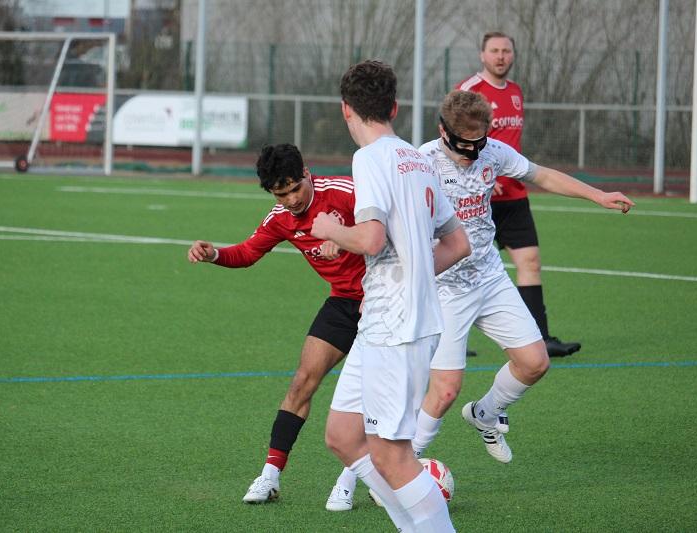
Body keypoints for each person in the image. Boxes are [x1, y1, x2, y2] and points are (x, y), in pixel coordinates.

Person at [408, 90, 634, 464]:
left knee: (535, 362)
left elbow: (542, 175)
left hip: (489, 277)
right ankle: (404, 464)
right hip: (445, 287)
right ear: (443, 131)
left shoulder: (493, 152)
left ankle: (485, 413)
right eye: (464, 144)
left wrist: (598, 195)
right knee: (445, 390)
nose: (473, 152)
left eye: (479, 142)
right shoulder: (421, 163)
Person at [311, 60, 469, 532]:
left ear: (345, 109)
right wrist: (412, 274)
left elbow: (372, 238)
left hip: (396, 327)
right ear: (394, 107)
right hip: (381, 322)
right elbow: (458, 243)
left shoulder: (370, 158)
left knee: (392, 455)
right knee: (343, 435)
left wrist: (331, 228)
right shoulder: (417, 158)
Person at [187, 143, 366, 510]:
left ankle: (349, 479)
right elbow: (247, 253)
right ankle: (270, 476)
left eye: (295, 189)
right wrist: (214, 254)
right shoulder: (280, 217)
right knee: (302, 382)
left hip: (385, 300)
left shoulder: (345, 191)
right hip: (343, 302)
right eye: (280, 194)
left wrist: (345, 236)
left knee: (367, 395)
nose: (291, 200)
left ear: (307, 173)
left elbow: (390, 223)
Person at [457, 31, 580, 358]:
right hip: (477, 199)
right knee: (459, 266)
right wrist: (480, 174)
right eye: (494, 50)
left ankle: (541, 339)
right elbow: (452, 138)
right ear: (482, 55)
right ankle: (449, 337)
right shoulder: (470, 90)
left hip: (513, 197)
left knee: (530, 262)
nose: (500, 56)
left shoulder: (515, 92)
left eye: (506, 51)